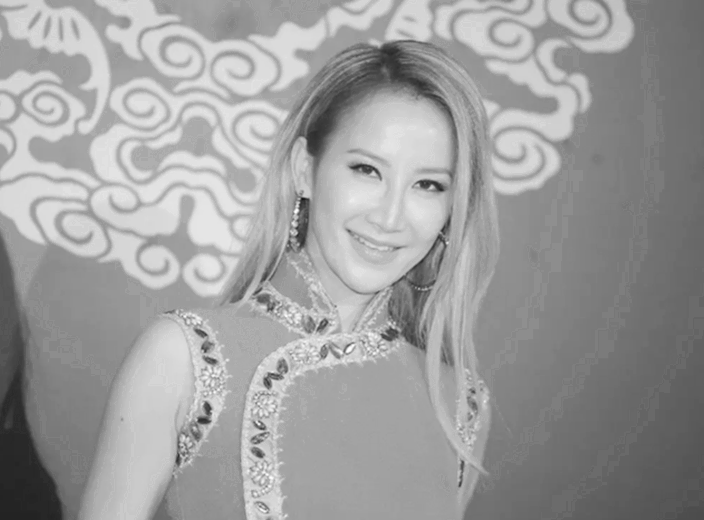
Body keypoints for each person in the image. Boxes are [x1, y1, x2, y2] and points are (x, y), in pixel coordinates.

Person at [77, 39, 500, 520]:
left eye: (428, 185)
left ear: (451, 208)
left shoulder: (460, 405)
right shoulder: (181, 355)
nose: (390, 216)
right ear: (304, 170)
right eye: (366, 170)